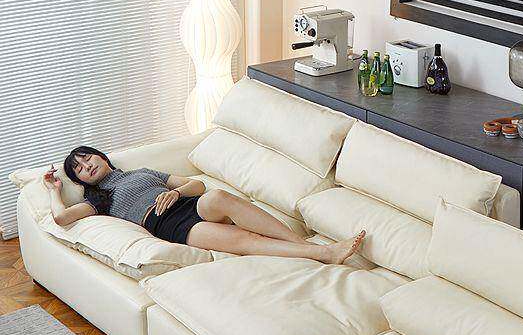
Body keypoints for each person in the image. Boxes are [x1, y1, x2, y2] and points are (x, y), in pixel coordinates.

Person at [43, 145, 365, 265]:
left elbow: (196, 184)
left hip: (188, 204)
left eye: (87, 159)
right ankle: (323, 253)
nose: (86, 166)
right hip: (169, 225)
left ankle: (301, 243)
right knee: (246, 240)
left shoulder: (142, 172)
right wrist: (54, 189)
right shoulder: (99, 199)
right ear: (81, 180)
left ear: (101, 157)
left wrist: (177, 193)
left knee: (217, 196)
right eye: (79, 169)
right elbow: (61, 218)